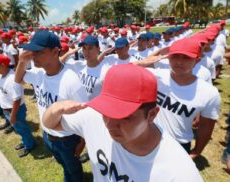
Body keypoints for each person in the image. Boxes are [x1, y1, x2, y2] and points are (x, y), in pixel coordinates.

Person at [42, 63, 203, 182]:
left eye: (125, 117)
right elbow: (51, 124)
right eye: (107, 111)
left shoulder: (179, 173)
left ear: (152, 115)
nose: (110, 125)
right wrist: (56, 108)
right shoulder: (93, 118)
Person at [15, 30, 88, 182]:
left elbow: (85, 115)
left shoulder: (71, 81)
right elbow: (18, 80)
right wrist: (22, 61)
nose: (33, 56)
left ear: (55, 51)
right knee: (64, 165)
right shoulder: (39, 73)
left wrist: (82, 141)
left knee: (74, 170)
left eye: (39, 52)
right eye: (32, 51)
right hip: (47, 135)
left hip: (67, 139)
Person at [150, 38, 221, 157]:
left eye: (186, 58)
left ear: (197, 61)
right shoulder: (156, 76)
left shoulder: (209, 93)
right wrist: (158, 53)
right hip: (149, 138)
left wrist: (196, 152)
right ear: (168, 58)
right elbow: (124, 70)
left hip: (178, 145)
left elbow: (206, 127)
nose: (179, 62)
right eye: (175, 56)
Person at [0, 54, 35, 157]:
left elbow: (16, 99)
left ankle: (30, 145)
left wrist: (12, 115)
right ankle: (25, 141)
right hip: (8, 109)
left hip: (15, 110)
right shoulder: (1, 75)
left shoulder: (12, 80)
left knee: (22, 128)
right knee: (19, 129)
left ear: (2, 65)